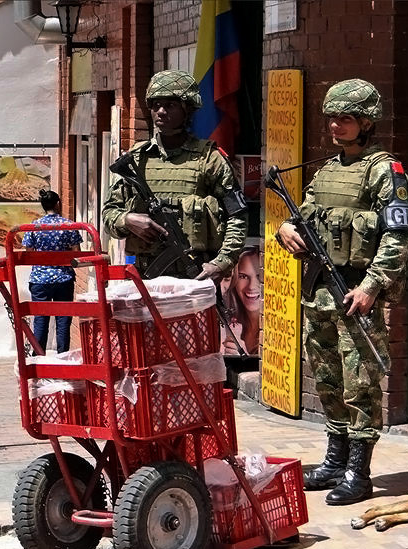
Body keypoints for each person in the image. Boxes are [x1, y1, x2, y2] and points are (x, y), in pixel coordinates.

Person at [275, 79, 408, 505]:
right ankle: (334, 460)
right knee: (328, 377)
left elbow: (398, 236)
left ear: (366, 122)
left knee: (361, 382)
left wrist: (372, 286)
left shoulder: (384, 171)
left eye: (346, 118)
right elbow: (305, 216)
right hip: (319, 291)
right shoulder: (327, 170)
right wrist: (285, 230)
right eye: (332, 117)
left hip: (355, 292)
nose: (336, 125)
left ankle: (359, 470)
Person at [101, 70, 248, 284]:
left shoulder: (210, 159)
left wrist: (222, 262)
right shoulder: (135, 161)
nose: (160, 112)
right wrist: (128, 220)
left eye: (169, 105)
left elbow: (238, 216)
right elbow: (109, 213)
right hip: (145, 279)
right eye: (155, 105)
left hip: (195, 278)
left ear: (187, 109)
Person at [22, 189, 83, 354]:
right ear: (58, 204)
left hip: (40, 280)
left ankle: (39, 357)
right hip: (63, 279)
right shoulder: (69, 226)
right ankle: (62, 355)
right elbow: (76, 253)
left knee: (40, 319)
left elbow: (29, 254)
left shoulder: (33, 227)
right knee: (63, 319)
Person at [221, 247, 262, 355]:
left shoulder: (278, 328)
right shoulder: (229, 323)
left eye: (260, 277)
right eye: (243, 276)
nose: (252, 286)